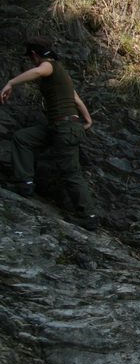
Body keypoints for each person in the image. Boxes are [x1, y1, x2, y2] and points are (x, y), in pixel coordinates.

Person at [0, 36, 98, 231]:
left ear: (34, 54)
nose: (32, 61)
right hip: (59, 127)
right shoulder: (62, 75)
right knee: (23, 138)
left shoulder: (49, 66)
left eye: (31, 57)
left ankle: (88, 217)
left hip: (64, 128)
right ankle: (25, 184)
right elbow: (75, 99)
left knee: (71, 173)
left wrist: (10, 82)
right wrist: (88, 119)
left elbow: (38, 71)